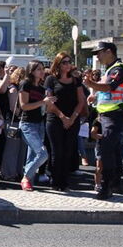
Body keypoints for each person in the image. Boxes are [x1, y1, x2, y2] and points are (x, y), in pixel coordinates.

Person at [83, 41, 123, 200]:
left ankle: (106, 187)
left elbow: (110, 87)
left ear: (110, 51)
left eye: (100, 52)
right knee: (114, 151)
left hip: (115, 115)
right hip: (106, 115)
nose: (97, 55)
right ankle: (116, 184)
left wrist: (91, 84)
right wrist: (95, 95)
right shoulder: (109, 69)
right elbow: (106, 92)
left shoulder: (119, 69)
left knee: (106, 151)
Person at [43, 53, 86, 191]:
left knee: (68, 151)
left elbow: (81, 101)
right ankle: (56, 181)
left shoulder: (75, 80)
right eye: (64, 62)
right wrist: (63, 117)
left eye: (69, 62)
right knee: (57, 151)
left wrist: (72, 118)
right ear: (58, 64)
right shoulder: (50, 79)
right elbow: (50, 102)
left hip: (73, 119)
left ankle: (65, 181)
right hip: (55, 119)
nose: (67, 65)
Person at [17, 61, 54, 191]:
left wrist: (49, 102)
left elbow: (44, 107)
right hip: (28, 124)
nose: (42, 71)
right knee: (43, 154)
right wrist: (42, 102)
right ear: (31, 71)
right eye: (38, 69)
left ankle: (27, 181)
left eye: (42, 69)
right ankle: (26, 177)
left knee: (33, 155)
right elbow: (24, 106)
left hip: (40, 123)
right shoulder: (25, 84)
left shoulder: (42, 87)